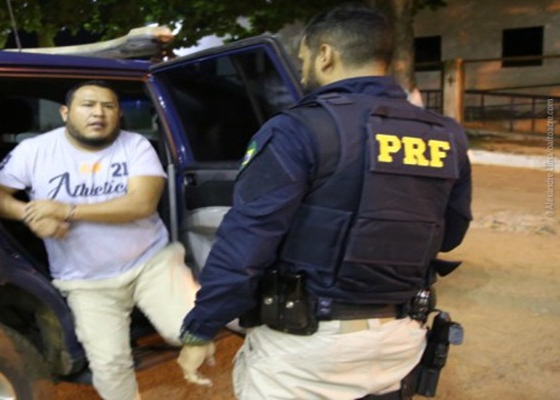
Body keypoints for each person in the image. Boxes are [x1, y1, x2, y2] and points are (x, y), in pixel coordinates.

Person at [176, 4, 472, 399]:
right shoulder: (446, 134)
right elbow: (451, 234)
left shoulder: (298, 129)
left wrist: (201, 327)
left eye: (303, 60)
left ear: (326, 54)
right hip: (400, 341)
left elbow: (246, 240)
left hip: (309, 349)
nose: (302, 72)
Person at [0, 80, 199, 400]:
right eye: (87, 105)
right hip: (85, 280)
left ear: (118, 114)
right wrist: (29, 215)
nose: (98, 113)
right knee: (110, 364)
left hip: (150, 262)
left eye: (108, 106)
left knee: (191, 331)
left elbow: (141, 203)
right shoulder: (33, 151)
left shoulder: (135, 145)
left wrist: (66, 210)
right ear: (65, 112)